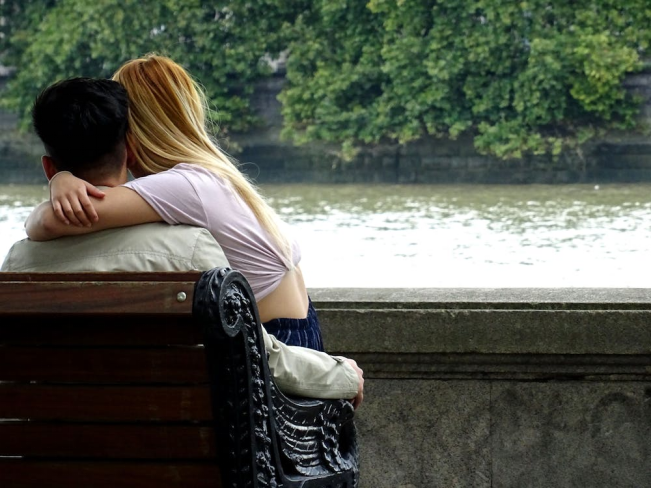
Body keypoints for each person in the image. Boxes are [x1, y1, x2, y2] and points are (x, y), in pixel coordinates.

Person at [13, 76, 363, 408]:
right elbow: (258, 355)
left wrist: (58, 183)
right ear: (130, 149)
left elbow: (49, 222)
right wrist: (339, 374)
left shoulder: (17, 262)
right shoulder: (189, 245)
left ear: (47, 166)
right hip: (254, 383)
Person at [26, 54, 323, 351]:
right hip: (293, 334)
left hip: (278, 348)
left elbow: (50, 222)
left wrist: (59, 179)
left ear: (132, 133)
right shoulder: (207, 176)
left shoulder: (181, 187)